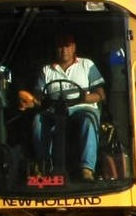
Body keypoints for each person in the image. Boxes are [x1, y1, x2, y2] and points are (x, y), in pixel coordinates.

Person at [21, 32, 106, 179]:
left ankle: (87, 169)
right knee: (38, 120)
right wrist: (30, 102)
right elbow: (39, 97)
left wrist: (85, 98)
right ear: (56, 49)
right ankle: (45, 166)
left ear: (74, 47)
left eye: (67, 46)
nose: (64, 50)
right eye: (60, 47)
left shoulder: (87, 65)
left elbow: (100, 94)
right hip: (54, 110)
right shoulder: (46, 70)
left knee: (89, 119)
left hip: (82, 107)